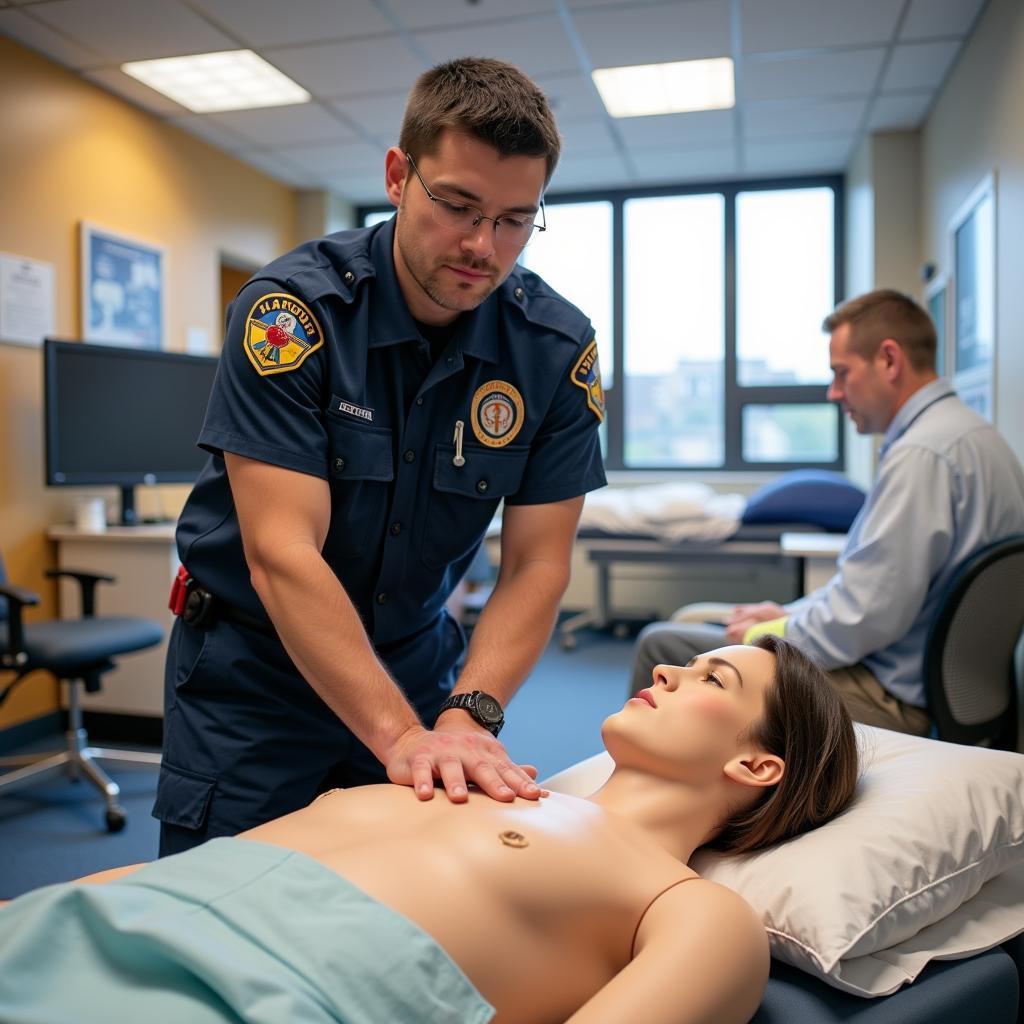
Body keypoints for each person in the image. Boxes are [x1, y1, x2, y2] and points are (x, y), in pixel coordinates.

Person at [157, 58, 607, 855]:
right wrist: (399, 737)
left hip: (420, 668)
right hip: (255, 681)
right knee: (223, 926)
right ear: (399, 177)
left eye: (515, 219)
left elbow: (538, 566)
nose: (483, 246)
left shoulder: (554, 348)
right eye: (459, 206)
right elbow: (281, 554)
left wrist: (468, 715)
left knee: (399, 920)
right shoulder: (292, 314)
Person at [0, 638, 859, 1024]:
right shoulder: (463, 773)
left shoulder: (692, 909)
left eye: (712, 677)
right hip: (86, 926)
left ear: (757, 767)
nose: (667, 665)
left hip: (263, 995)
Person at [631, 288, 1024, 735]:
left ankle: (639, 795)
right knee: (711, 631)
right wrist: (785, 613)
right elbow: (870, 591)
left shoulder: (922, 456)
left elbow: (864, 617)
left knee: (662, 644)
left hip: (889, 697)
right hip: (945, 688)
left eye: (842, 373)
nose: (834, 392)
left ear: (889, 360)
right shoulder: (972, 437)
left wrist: (770, 634)